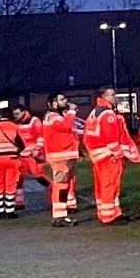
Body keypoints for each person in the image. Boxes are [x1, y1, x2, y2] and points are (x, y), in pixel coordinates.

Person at [84, 89, 138, 225]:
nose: (116, 97)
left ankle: (111, 212)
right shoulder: (108, 114)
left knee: (103, 185)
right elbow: (111, 138)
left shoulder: (94, 112)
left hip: (98, 155)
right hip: (109, 155)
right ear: (105, 96)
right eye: (113, 95)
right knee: (110, 184)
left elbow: (87, 137)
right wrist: (118, 153)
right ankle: (109, 216)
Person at [38, 96, 84, 224]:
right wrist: (71, 112)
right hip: (60, 156)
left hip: (66, 155)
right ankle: (59, 216)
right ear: (54, 103)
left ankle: (61, 215)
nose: (66, 102)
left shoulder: (60, 115)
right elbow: (65, 126)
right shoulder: (52, 116)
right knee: (60, 185)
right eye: (62, 99)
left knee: (64, 186)